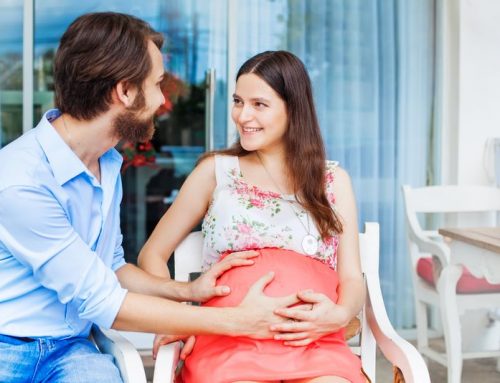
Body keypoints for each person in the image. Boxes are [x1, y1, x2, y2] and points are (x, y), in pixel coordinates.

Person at [0, 13, 298, 383]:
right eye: (157, 84)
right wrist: (236, 321)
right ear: (124, 91)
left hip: (71, 347)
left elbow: (111, 266)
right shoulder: (18, 180)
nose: (162, 100)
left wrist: (185, 290)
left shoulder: (107, 162)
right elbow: (103, 302)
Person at [139, 50, 367, 383]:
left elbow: (351, 278)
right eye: (237, 101)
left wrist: (340, 314)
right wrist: (179, 320)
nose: (243, 115)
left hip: (310, 342)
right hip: (229, 341)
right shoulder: (215, 172)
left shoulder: (332, 182)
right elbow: (152, 254)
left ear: (294, 108)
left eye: (259, 104)